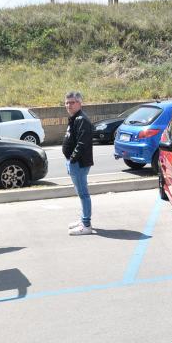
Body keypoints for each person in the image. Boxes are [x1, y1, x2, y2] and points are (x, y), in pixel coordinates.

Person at [61, 91, 94, 235]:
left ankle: (86, 225)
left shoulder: (82, 119)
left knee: (83, 194)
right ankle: (83, 219)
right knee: (81, 193)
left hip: (78, 163)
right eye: (67, 102)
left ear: (80, 103)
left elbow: (82, 143)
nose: (69, 105)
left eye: (72, 102)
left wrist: (73, 159)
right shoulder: (74, 118)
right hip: (73, 162)